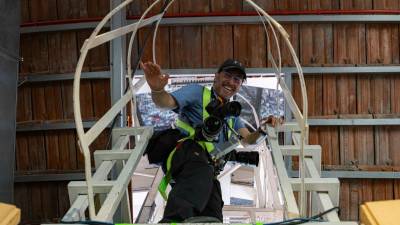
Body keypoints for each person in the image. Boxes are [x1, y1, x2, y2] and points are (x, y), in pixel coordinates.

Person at [141, 59, 281, 223]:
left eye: (237, 80)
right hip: (184, 153)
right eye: (227, 76)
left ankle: (209, 221)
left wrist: (262, 130)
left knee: (213, 195)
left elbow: (248, 141)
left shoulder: (232, 117)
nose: (231, 82)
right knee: (201, 169)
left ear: (240, 85)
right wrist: (157, 90)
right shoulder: (196, 93)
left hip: (205, 167)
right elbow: (166, 103)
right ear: (216, 76)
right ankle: (173, 220)